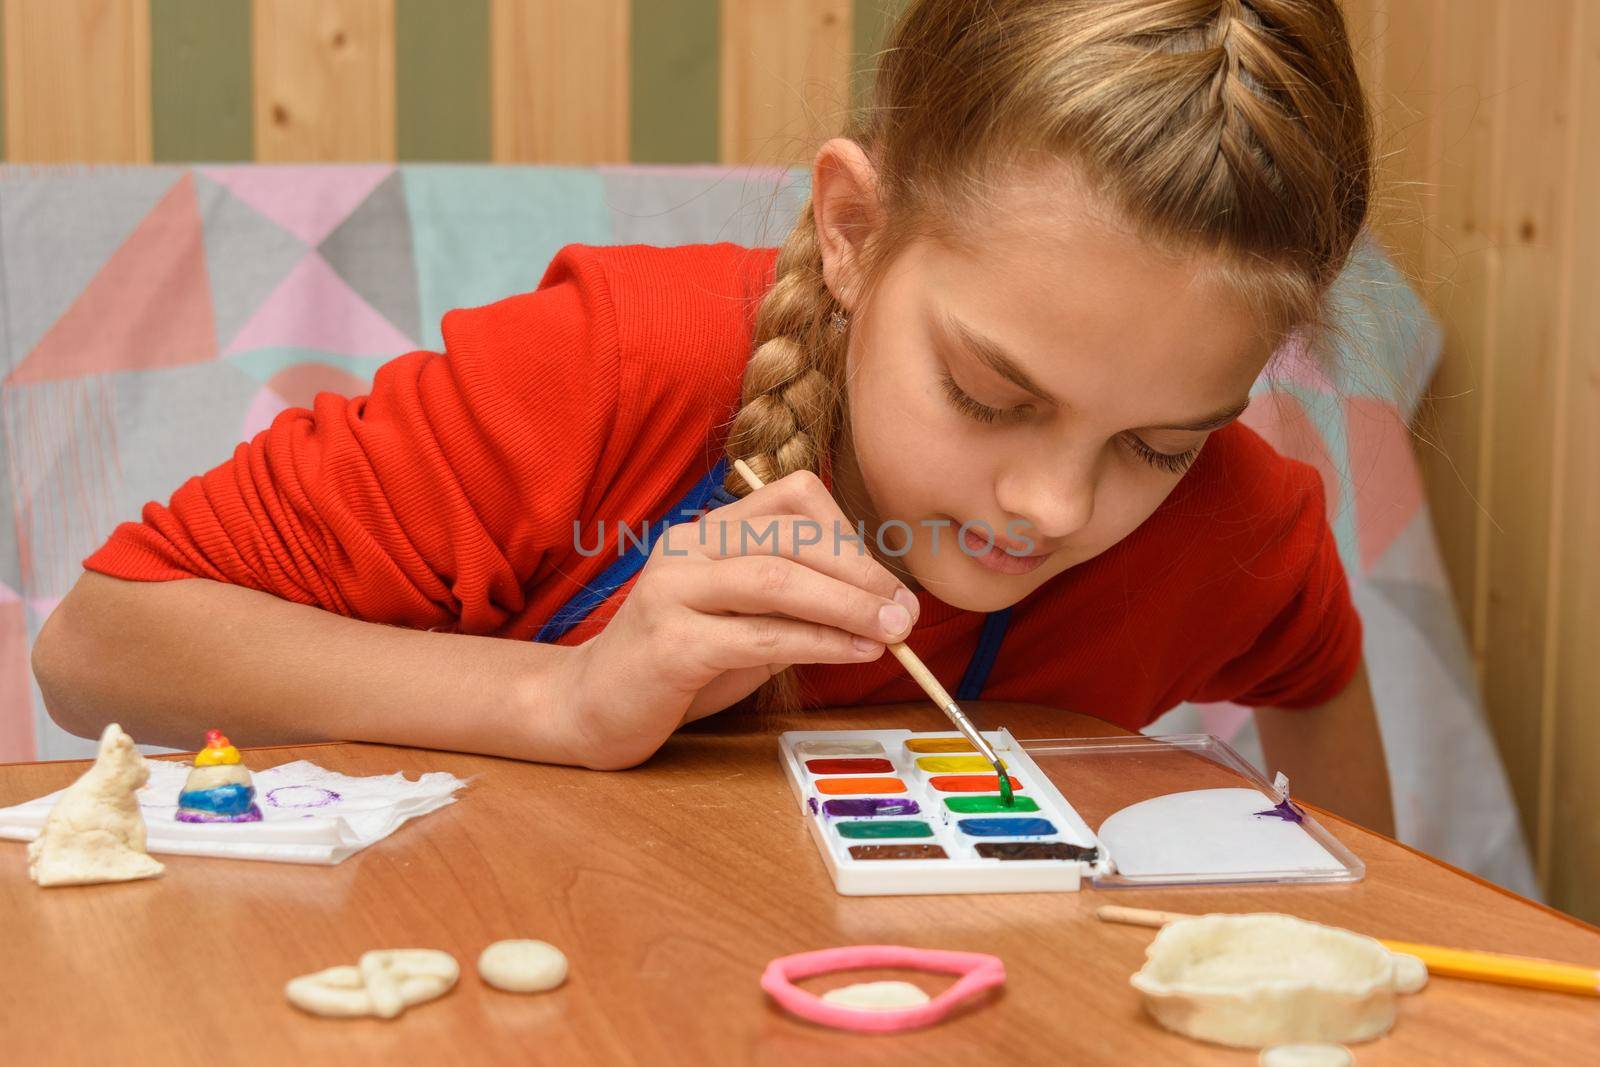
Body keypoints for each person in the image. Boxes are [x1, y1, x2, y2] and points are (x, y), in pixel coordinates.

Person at [33, 0, 1394, 833]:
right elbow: (98, 648)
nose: (1051, 504)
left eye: (1159, 443)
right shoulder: (612, 370)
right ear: (854, 231)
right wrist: (559, 697)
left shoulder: (1233, 523)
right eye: (992, 395)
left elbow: (1323, 708)